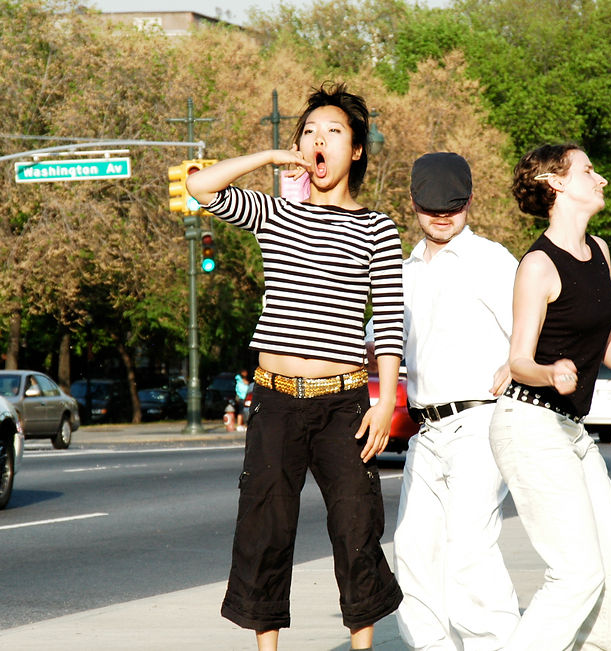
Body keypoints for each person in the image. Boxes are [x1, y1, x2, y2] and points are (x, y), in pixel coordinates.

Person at [186, 82, 404, 649]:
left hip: (344, 403)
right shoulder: (273, 213)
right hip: (277, 399)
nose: (317, 140)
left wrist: (383, 405)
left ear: (355, 150)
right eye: (308, 131)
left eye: (333, 131)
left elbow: (387, 324)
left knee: (356, 528)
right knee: (266, 529)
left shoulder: (379, 228)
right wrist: (268, 156)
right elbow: (198, 186)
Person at [488, 143, 611, 649]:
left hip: (570, 431)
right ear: (556, 183)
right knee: (578, 573)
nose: (602, 179)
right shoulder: (538, 266)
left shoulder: (600, 252)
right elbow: (519, 359)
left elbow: (603, 338)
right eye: (589, 171)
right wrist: (550, 371)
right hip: (528, 424)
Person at [393, 152, 521, 649]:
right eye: (431, 207)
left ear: (470, 202)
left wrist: (516, 361)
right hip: (426, 431)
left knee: (470, 549)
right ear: (413, 204)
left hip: (479, 423)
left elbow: (536, 326)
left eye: (453, 205)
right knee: (412, 548)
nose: (442, 216)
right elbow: (376, 340)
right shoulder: (404, 272)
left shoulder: (490, 259)